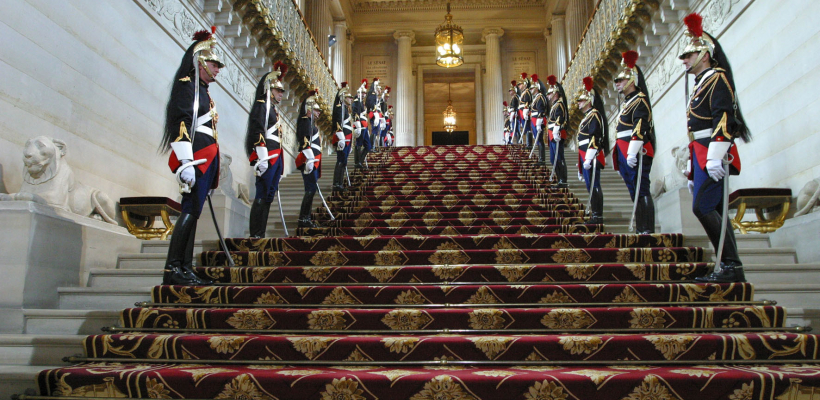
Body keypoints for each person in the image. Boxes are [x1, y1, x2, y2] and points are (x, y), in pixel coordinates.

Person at [680, 13, 751, 283]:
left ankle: (731, 263)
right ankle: (730, 266)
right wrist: (691, 165)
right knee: (713, 209)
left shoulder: (718, 79)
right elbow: (694, 128)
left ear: (705, 54)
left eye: (688, 55)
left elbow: (724, 119)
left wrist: (715, 157)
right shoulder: (701, 84)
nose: (684, 60)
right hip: (700, 152)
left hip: (714, 151)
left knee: (703, 207)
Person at [158, 27, 223, 286]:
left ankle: (184, 267)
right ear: (200, 61)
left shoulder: (203, 91)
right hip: (196, 157)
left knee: (194, 211)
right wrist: (185, 161)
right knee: (189, 210)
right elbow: (181, 123)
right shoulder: (187, 87)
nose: (218, 69)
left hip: (206, 156)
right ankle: (172, 268)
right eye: (214, 64)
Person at [613, 51, 656, 234]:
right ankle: (641, 226)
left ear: (631, 81)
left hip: (636, 149)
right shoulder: (628, 102)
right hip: (625, 148)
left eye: (621, 81)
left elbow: (639, 126)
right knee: (634, 190)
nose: (617, 84)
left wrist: (632, 151)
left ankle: (647, 228)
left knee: (642, 188)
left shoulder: (640, 100)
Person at [245, 61, 287, 238]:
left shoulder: (273, 110)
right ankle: (255, 233)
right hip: (267, 155)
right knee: (262, 194)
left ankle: (261, 231)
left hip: (275, 156)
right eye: (278, 91)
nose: (281, 95)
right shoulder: (262, 104)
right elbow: (257, 129)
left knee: (269, 196)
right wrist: (261, 157)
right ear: (270, 88)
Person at [576, 76, 608, 225]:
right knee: (590, 185)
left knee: (594, 184)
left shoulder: (594, 115)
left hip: (591, 153)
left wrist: (589, 157)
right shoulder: (587, 117)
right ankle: (595, 214)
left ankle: (597, 215)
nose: (578, 103)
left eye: (581, 101)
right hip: (585, 153)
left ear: (588, 101)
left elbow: (595, 136)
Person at [295, 90, 323, 228]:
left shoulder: (311, 123)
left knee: (311, 190)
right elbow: (305, 141)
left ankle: (306, 217)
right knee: (310, 190)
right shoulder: (305, 121)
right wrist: (310, 160)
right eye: (316, 110)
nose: (319, 113)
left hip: (314, 160)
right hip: (309, 160)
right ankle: (303, 218)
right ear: (309, 109)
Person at [545, 75, 569, 187]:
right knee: (553, 158)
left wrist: (556, 127)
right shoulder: (554, 105)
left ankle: (563, 179)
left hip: (557, 133)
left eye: (550, 94)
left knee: (559, 157)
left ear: (555, 93)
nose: (548, 96)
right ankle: (559, 178)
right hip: (552, 134)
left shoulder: (559, 104)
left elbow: (560, 118)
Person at [332, 82, 354, 193]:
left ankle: (339, 182)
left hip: (347, 137)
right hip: (343, 137)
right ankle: (337, 183)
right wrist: (341, 137)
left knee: (343, 161)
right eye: (349, 97)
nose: (351, 99)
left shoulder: (345, 108)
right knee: (340, 160)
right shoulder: (340, 108)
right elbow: (338, 123)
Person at [529, 74, 548, 165]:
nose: (531, 90)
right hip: (534, 119)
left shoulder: (540, 97)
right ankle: (540, 158)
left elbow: (541, 110)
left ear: (537, 88)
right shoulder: (536, 98)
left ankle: (542, 159)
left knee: (540, 140)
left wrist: (539, 121)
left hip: (537, 120)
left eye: (532, 88)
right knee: (537, 140)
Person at [352, 79, 368, 170]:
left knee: (368, 146)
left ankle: (360, 161)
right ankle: (357, 162)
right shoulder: (356, 101)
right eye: (362, 93)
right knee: (358, 144)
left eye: (364, 94)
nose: (364, 95)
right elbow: (355, 113)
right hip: (360, 124)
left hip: (364, 124)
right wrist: (357, 124)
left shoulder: (361, 102)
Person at [517, 73, 532, 149]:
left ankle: (529, 144)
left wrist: (526, 110)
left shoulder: (527, 92)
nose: (519, 86)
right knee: (525, 127)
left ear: (525, 84)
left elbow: (528, 102)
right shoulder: (523, 93)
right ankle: (527, 143)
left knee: (527, 127)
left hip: (525, 111)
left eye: (520, 84)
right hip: (522, 111)